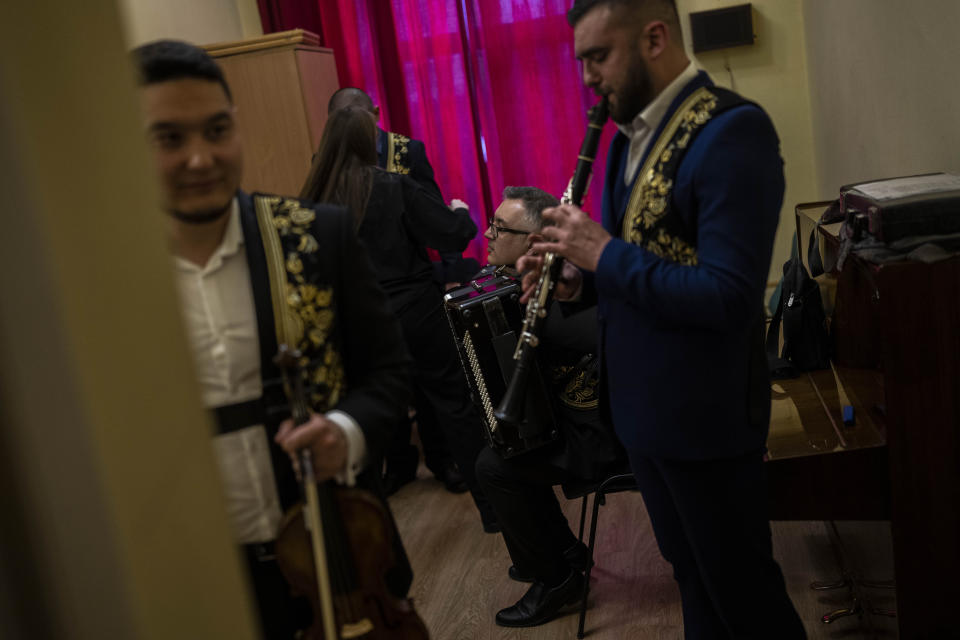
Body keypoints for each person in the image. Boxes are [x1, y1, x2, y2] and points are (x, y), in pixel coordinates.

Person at [517, 1, 807, 637]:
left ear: (654, 37)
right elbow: (636, 263)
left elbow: (729, 296)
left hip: (707, 415)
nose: (588, 77)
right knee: (694, 581)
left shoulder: (731, 130)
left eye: (600, 56)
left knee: (744, 595)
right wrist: (575, 280)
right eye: (581, 62)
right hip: (646, 414)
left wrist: (600, 252)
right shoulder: (629, 137)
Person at [134, 40, 414, 640]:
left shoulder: (317, 236)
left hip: (339, 555)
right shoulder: (109, 287)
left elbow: (389, 372)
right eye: (169, 139)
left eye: (217, 129)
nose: (200, 158)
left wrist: (345, 431)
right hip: (200, 581)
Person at [300, 106, 499, 532]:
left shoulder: (313, 201)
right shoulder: (392, 186)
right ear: (368, 139)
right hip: (416, 312)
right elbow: (453, 234)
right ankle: (494, 509)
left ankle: (371, 530)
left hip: (357, 323)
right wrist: (462, 212)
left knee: (367, 418)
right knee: (455, 405)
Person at [471, 186, 626, 627]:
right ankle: (562, 553)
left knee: (494, 466)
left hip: (605, 431)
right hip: (572, 419)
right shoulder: (518, 285)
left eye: (500, 228)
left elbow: (590, 337)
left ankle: (555, 576)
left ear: (534, 242)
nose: (487, 233)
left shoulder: (563, 289)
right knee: (505, 447)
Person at [328, 87, 477, 494]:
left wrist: (446, 271)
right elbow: (447, 225)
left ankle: (443, 460)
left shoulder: (406, 152)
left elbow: (429, 209)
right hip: (389, 301)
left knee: (430, 391)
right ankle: (404, 465)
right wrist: (460, 218)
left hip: (398, 293)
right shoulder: (334, 172)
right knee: (398, 391)